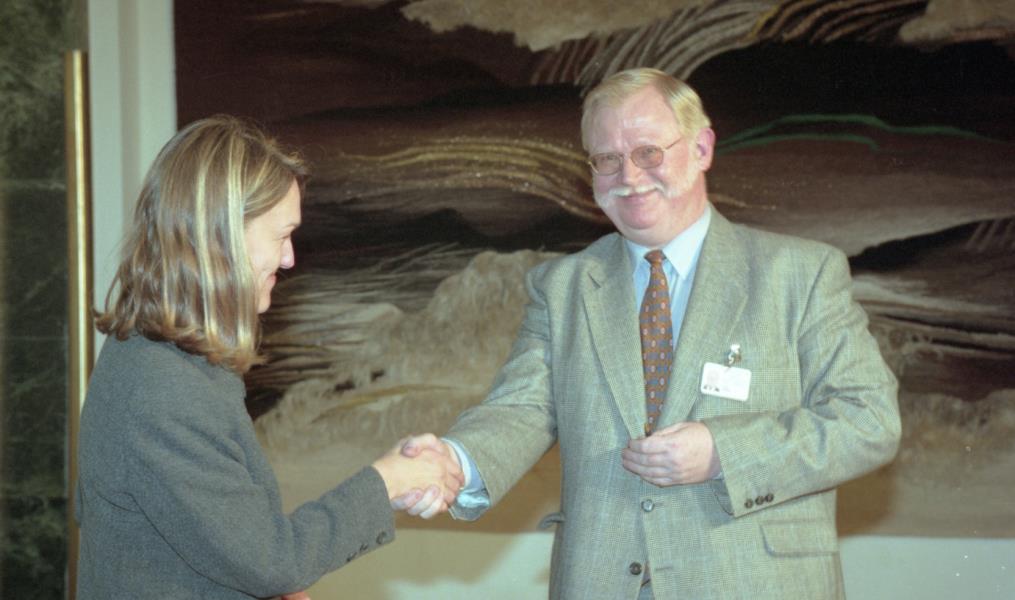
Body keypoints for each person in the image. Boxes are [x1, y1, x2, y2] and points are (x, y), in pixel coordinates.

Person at [402, 68, 902, 599]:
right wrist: (456, 461)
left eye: (648, 152)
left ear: (702, 148)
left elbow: (869, 420)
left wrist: (724, 453)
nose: (629, 176)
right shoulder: (562, 287)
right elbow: (520, 410)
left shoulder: (799, 274)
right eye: (607, 159)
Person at [75, 115, 463, 599]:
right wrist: (389, 480)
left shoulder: (162, 360)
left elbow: (215, 545)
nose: (289, 258)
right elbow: (271, 560)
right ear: (221, 235)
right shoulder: (165, 388)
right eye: (282, 235)